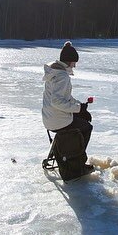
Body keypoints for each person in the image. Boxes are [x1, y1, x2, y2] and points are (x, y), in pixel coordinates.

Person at [42, 41, 93, 169]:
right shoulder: (62, 76)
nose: (75, 66)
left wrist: (79, 106)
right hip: (59, 121)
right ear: (69, 61)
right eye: (74, 63)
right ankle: (77, 162)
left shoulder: (54, 73)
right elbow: (57, 101)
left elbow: (65, 97)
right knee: (86, 127)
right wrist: (78, 109)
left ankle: (63, 152)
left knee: (82, 119)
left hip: (49, 118)